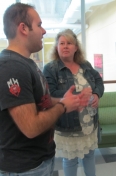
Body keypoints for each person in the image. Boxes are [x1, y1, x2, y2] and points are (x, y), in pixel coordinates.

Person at [0, 3, 87, 176]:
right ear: (23, 28)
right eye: (39, 25)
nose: (44, 31)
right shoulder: (12, 66)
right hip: (24, 167)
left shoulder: (27, 63)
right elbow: (31, 126)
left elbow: (40, 100)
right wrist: (63, 107)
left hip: (40, 160)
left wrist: (65, 101)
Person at [43, 29, 104, 176]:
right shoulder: (50, 69)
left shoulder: (85, 65)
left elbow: (98, 81)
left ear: (76, 47)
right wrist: (80, 96)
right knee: (70, 160)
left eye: (69, 43)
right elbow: (50, 94)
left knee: (90, 156)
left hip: (89, 122)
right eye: (62, 43)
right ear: (57, 47)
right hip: (68, 124)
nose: (65, 46)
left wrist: (96, 94)